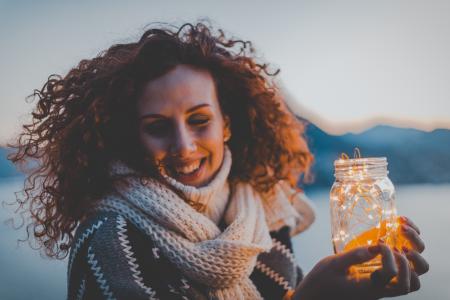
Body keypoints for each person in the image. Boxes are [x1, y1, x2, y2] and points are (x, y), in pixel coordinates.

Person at [9, 22, 428, 300]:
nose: (184, 146)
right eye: (157, 126)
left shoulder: (264, 209)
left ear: (226, 123)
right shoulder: (110, 238)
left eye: (200, 120)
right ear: (129, 135)